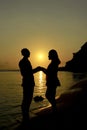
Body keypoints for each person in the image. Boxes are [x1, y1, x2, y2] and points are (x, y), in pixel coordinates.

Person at [18, 48, 40, 122]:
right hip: (27, 83)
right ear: (25, 53)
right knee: (26, 99)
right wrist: (37, 69)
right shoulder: (22, 62)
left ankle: (26, 114)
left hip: (30, 82)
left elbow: (29, 72)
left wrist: (36, 70)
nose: (30, 53)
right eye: (28, 52)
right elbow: (25, 73)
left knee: (29, 98)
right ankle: (25, 115)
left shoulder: (26, 61)